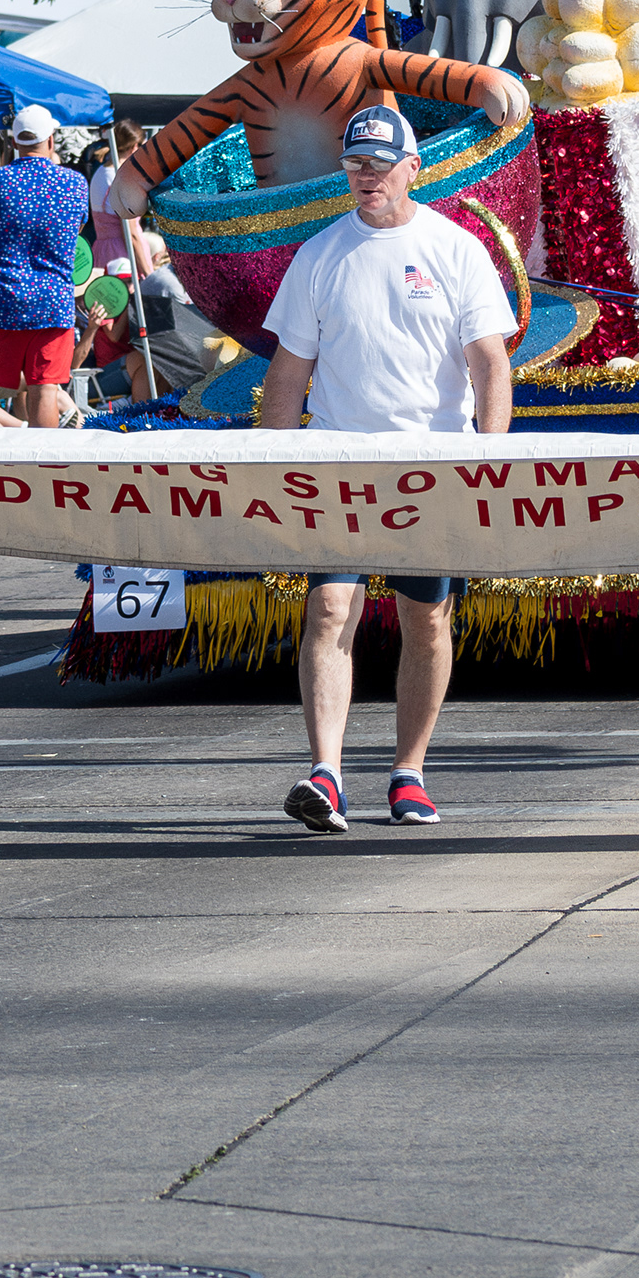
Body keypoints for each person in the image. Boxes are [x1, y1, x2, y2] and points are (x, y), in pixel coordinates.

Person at [254, 103, 515, 833]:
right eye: (353, 165)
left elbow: (491, 366)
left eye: (377, 164)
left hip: (428, 467)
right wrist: (276, 466)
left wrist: (486, 464)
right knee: (331, 606)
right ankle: (326, 775)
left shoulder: (456, 249)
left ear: (412, 167)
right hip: (339, 465)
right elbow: (287, 372)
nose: (365, 177)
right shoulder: (319, 254)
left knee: (424, 619)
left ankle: (409, 773)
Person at [0, 105, 87, 430]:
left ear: (14, 142)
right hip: (52, 302)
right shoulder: (75, 183)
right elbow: (77, 229)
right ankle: (45, 470)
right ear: (51, 141)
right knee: (45, 388)